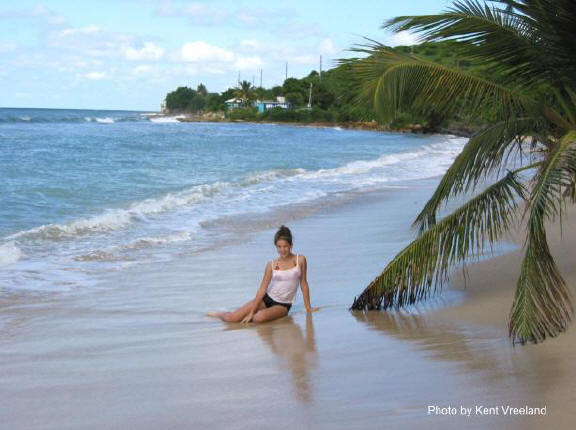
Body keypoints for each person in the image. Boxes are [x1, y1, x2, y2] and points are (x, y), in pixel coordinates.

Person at [208, 225, 319, 324]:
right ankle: (220, 314)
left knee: (258, 318)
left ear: (291, 245)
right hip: (266, 299)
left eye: (285, 246)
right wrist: (251, 311)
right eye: (279, 247)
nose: (282, 250)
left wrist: (308, 308)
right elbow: (262, 288)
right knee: (232, 318)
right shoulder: (271, 265)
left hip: (283, 305)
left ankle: (261, 313)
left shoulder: (300, 260)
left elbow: (303, 283)